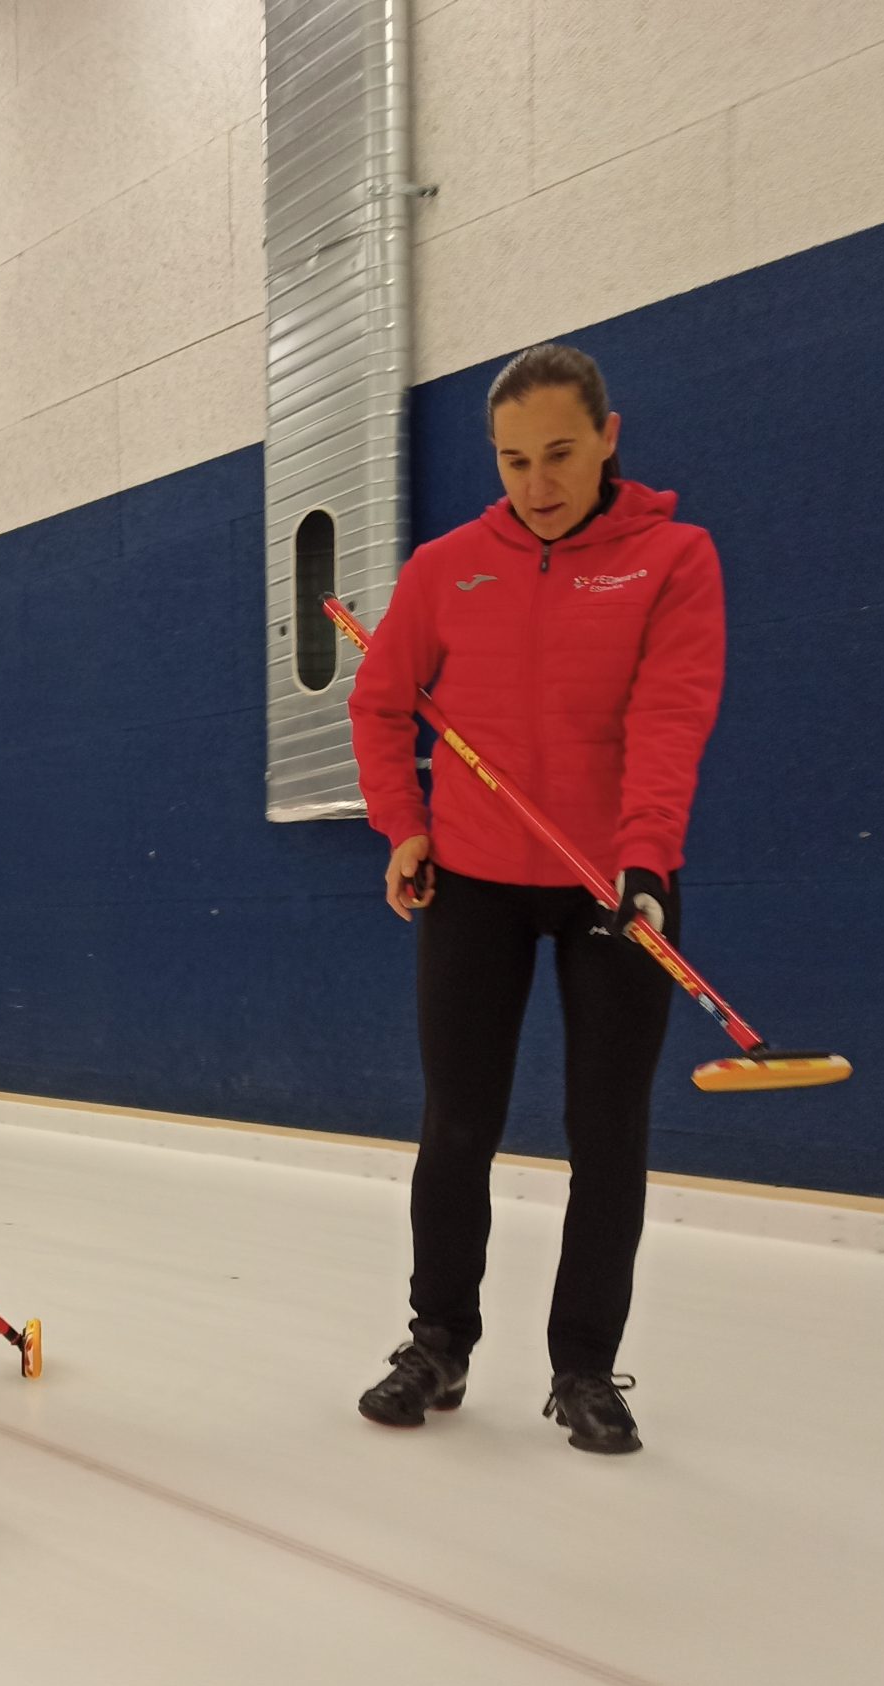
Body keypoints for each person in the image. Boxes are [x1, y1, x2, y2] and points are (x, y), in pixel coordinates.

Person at [346, 341, 726, 1457]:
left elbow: (669, 717)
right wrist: (403, 825)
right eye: (513, 460)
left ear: (608, 438)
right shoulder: (447, 567)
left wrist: (647, 862)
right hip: (471, 884)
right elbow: (379, 707)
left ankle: (584, 1369)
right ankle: (438, 1342)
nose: (537, 482)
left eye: (559, 453)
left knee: (605, 1132)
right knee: (455, 1125)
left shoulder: (673, 559)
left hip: (615, 889)